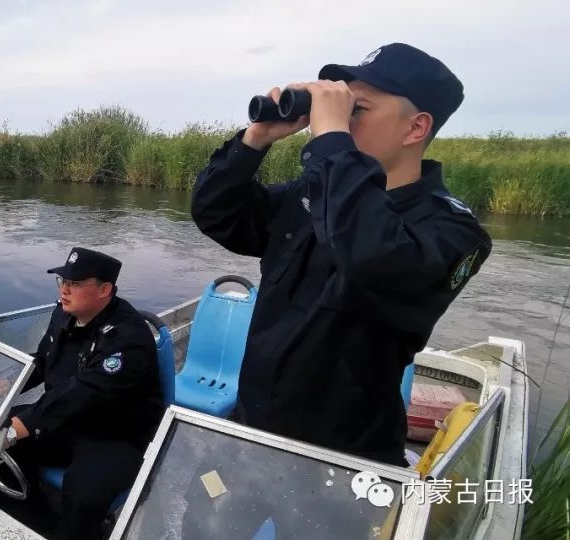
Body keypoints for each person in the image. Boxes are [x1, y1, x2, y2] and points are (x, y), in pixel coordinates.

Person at [189, 43, 491, 466]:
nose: (339, 120)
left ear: (415, 128)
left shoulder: (452, 231)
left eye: (356, 109)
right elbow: (218, 214)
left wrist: (332, 140)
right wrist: (255, 139)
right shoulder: (311, 196)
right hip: (254, 427)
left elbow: (371, 255)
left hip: (345, 455)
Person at [0, 247, 164, 539]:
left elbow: (85, 391)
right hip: (66, 420)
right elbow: (43, 360)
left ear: (104, 290)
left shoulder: (128, 337)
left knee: (84, 494)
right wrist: (8, 380)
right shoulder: (63, 313)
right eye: (63, 281)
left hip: (115, 433)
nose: (64, 290)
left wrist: (16, 430)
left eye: (75, 284)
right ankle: (35, 522)